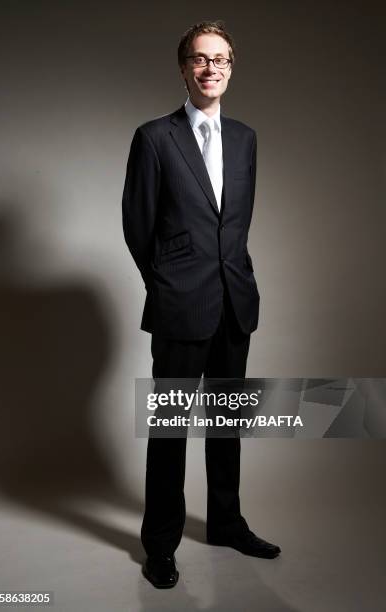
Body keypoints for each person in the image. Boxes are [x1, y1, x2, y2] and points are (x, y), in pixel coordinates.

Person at [122, 20, 281, 589]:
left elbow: (237, 221)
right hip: (180, 304)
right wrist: (167, 283)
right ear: (184, 68)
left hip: (235, 300)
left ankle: (226, 522)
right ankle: (160, 545)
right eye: (199, 59)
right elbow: (137, 226)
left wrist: (234, 274)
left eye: (221, 59)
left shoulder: (245, 138)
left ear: (231, 68)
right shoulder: (154, 137)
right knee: (170, 430)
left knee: (226, 423)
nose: (210, 68)